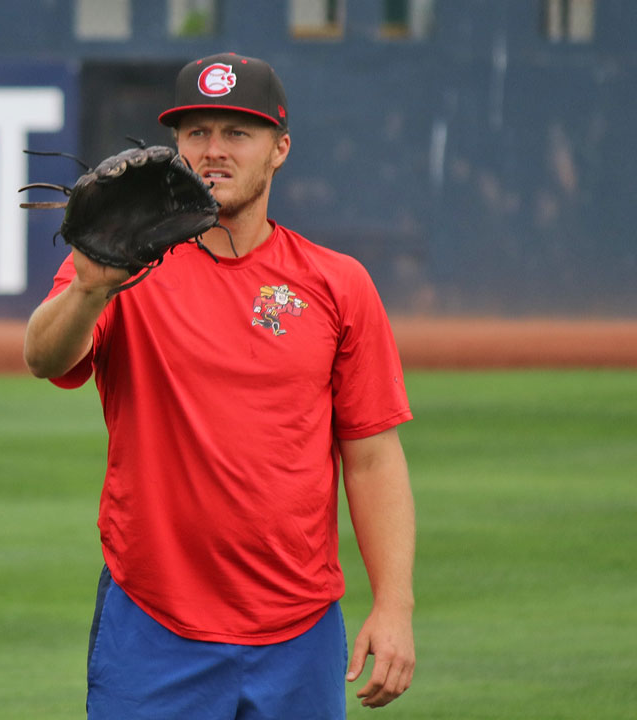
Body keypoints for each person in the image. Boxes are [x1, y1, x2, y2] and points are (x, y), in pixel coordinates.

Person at [24, 52, 416, 719]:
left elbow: (372, 454)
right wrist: (89, 286)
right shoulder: (123, 266)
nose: (214, 150)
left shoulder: (336, 283)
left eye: (238, 133)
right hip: (153, 622)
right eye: (196, 132)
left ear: (279, 149)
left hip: (300, 631)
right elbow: (44, 355)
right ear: (175, 145)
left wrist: (394, 605)